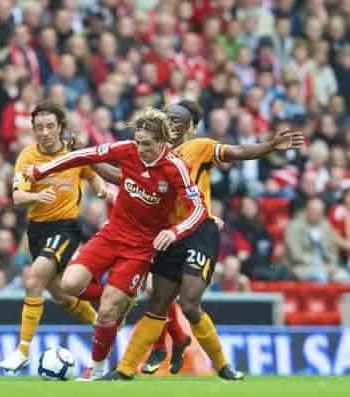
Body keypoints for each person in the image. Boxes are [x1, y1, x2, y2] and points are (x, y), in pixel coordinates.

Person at [93, 100, 303, 380]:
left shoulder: (200, 147)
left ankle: (223, 366)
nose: (173, 123)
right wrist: (89, 160)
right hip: (166, 235)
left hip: (198, 231)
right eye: (169, 117)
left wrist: (268, 146)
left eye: (180, 120)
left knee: (190, 302)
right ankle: (124, 370)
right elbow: (122, 178)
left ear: (191, 128)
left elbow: (238, 151)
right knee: (158, 303)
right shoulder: (150, 152)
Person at [24, 106, 207, 380]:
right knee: (70, 284)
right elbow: (83, 155)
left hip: (141, 247)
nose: (140, 148)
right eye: (138, 142)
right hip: (111, 234)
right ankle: (124, 296)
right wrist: (41, 171)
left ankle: (97, 369)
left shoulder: (175, 168)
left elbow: (199, 209)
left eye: (146, 144)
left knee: (107, 310)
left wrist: (176, 231)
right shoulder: (127, 150)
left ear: (161, 143)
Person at [0, 101, 107, 372]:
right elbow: (17, 195)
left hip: (66, 228)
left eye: (50, 126)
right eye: (39, 128)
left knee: (34, 277)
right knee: (59, 293)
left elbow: (92, 175)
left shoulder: (73, 153)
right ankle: (103, 328)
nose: (45, 132)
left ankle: (22, 350)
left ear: (60, 128)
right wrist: (36, 195)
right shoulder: (28, 156)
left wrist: (103, 191)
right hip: (37, 231)